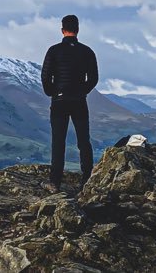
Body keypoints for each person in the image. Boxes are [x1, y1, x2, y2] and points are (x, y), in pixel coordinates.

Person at [40, 14, 98, 191]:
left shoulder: (54, 50)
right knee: (83, 140)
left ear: (62, 30)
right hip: (79, 101)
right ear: (78, 30)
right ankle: (87, 178)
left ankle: (55, 182)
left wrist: (53, 92)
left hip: (59, 101)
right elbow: (94, 78)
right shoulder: (87, 51)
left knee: (59, 141)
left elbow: (45, 76)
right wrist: (82, 91)